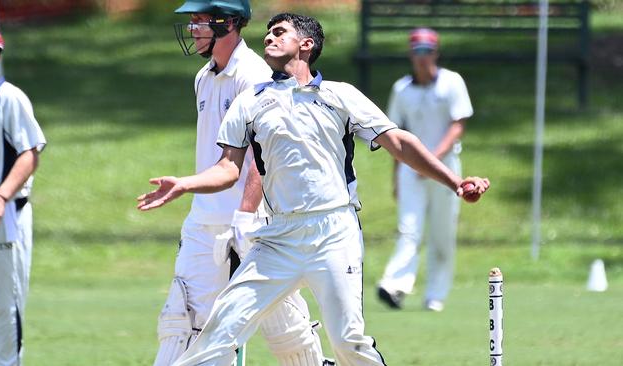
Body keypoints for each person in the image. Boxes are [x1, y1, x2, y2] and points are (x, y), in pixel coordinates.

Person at [137, 13, 489, 365]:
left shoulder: (340, 95)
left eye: (279, 33)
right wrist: (185, 184)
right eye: (268, 34)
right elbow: (228, 168)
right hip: (278, 238)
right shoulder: (250, 102)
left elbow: (398, 142)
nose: (268, 39)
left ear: (306, 44)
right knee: (218, 332)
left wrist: (455, 182)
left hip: (334, 233)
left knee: (349, 343)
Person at [154, 2, 330, 365]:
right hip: (205, 219)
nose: (192, 29)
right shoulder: (204, 76)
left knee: (286, 330)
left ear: (228, 22)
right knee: (182, 321)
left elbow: (262, 155)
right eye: (191, 22)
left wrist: (246, 216)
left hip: (253, 223)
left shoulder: (254, 75)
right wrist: (190, 188)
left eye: (199, 21)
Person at [376, 28, 474, 312]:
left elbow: (458, 125)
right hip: (410, 170)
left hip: (446, 170)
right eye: (417, 52)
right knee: (409, 230)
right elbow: (394, 134)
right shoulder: (401, 89)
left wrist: (431, 159)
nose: (422, 58)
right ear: (410, 55)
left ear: (436, 53)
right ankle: (394, 286)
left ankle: (435, 294)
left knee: (442, 233)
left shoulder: (452, 82)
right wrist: (396, 176)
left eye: (427, 52)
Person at [0, 23, 46, 365]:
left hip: (3, 215)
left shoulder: (9, 99)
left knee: (2, 307)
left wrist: (0, 197)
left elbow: (30, 152)